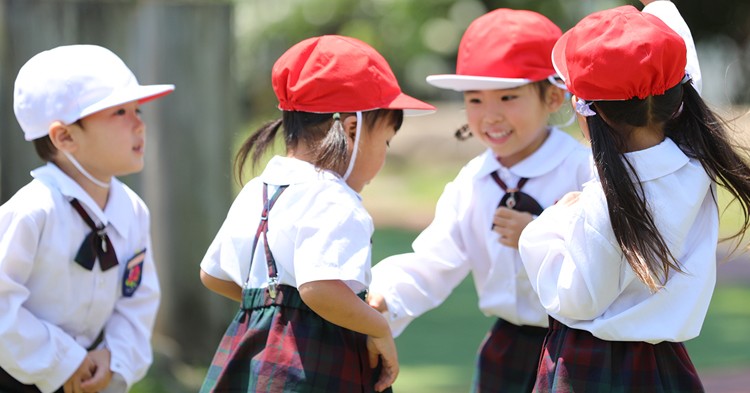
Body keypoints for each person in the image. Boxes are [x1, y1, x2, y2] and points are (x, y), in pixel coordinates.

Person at [518, 1, 750, 391]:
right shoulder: (694, 161)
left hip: (590, 365)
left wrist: (550, 224)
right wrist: (659, 9)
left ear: (596, 112)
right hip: (664, 364)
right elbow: (680, 61)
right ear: (675, 98)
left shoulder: (607, 204)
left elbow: (576, 299)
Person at [366, 9, 594, 392]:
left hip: (578, 346)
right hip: (505, 347)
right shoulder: (472, 182)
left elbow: (609, 254)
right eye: (474, 100)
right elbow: (434, 261)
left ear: (553, 96)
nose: (490, 115)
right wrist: (381, 297)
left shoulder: (583, 170)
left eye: (508, 96)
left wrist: (541, 234)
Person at [198, 35, 435, 393]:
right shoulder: (335, 199)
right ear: (352, 128)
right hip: (312, 369)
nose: (384, 155)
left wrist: (272, 308)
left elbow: (212, 275)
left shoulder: (257, 190)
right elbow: (319, 290)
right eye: (385, 142)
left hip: (252, 359)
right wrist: (377, 326)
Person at [0, 45, 172, 393]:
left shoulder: (132, 209)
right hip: (20, 378)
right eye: (120, 112)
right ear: (64, 137)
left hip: (93, 376)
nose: (139, 123)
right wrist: (62, 361)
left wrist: (115, 356)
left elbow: (138, 299)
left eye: (137, 109)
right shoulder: (33, 211)